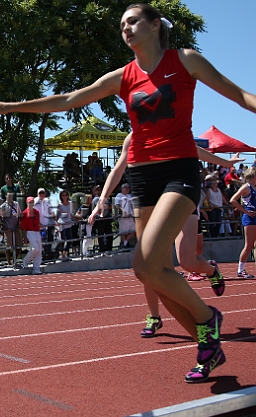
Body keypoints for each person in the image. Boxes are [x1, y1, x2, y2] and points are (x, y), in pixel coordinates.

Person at [0, 3, 256, 382]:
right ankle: (207, 343)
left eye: (133, 21)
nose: (125, 28)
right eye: (122, 24)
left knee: (144, 264)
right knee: (154, 272)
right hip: (142, 176)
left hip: (179, 170)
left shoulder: (186, 60)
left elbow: (238, 94)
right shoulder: (122, 76)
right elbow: (66, 100)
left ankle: (209, 317)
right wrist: (5, 106)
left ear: (155, 25)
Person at [90, 133, 230, 340]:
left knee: (187, 261)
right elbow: (118, 168)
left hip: (180, 198)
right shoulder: (133, 137)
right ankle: (155, 317)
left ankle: (211, 270)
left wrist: (225, 162)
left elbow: (195, 150)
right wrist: (101, 199)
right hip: (152, 204)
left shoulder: (170, 127)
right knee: (151, 267)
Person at [230, 166, 256, 279]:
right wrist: (245, 211)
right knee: (249, 245)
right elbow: (233, 200)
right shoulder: (246, 187)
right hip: (250, 218)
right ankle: (240, 270)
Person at [20, 197, 42, 274]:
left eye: (32, 202)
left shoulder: (37, 212)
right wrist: (24, 237)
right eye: (29, 202)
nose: (31, 204)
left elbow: (38, 222)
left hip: (37, 232)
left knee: (39, 250)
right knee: (35, 249)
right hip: (29, 232)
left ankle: (36, 268)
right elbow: (23, 227)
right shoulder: (25, 213)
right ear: (27, 203)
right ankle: (25, 260)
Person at [0, 192, 22, 266]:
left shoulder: (16, 204)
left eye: (11, 196)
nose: (10, 197)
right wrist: (3, 226)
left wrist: (18, 224)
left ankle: (14, 260)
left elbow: (19, 214)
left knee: (19, 244)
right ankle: (9, 262)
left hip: (15, 227)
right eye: (9, 196)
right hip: (8, 228)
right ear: (6, 196)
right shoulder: (3, 206)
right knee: (8, 246)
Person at [114, 183, 136, 250]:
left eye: (128, 188)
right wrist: (122, 210)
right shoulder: (119, 196)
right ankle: (124, 245)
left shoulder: (129, 196)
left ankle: (125, 242)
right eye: (126, 188)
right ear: (123, 189)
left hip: (130, 216)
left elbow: (133, 205)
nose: (128, 189)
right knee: (124, 232)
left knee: (134, 230)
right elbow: (116, 205)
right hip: (123, 217)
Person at [55, 190, 74, 260]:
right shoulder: (60, 205)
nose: (65, 196)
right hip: (62, 224)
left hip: (69, 223)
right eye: (63, 195)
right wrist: (56, 226)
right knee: (62, 240)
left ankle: (65, 252)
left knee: (70, 240)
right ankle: (62, 254)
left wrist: (76, 219)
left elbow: (71, 213)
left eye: (66, 195)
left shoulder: (70, 203)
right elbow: (57, 215)